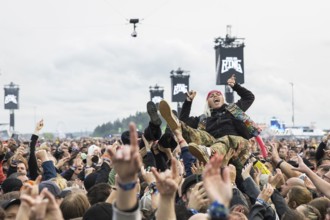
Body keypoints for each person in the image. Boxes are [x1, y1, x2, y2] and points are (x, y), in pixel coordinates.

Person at [159, 74, 255, 167]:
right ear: (208, 103)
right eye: (211, 96)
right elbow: (185, 120)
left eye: (218, 94)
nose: (215, 96)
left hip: (236, 144)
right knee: (198, 133)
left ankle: (209, 152)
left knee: (226, 139)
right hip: (213, 145)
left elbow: (249, 97)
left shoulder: (233, 110)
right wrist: (188, 102)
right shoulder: (204, 119)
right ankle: (177, 124)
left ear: (223, 99)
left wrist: (236, 86)